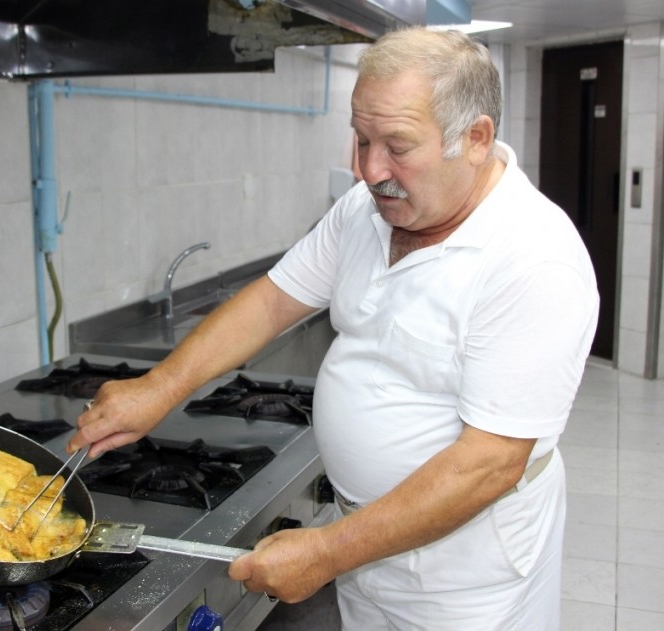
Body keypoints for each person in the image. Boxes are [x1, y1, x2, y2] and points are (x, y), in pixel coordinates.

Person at [69, 27, 599, 630]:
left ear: (475, 139)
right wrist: (160, 387)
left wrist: (326, 550)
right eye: (360, 138)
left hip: (467, 580)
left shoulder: (533, 257)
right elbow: (271, 302)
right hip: (367, 548)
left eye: (397, 145)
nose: (371, 169)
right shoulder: (367, 209)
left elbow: (490, 462)